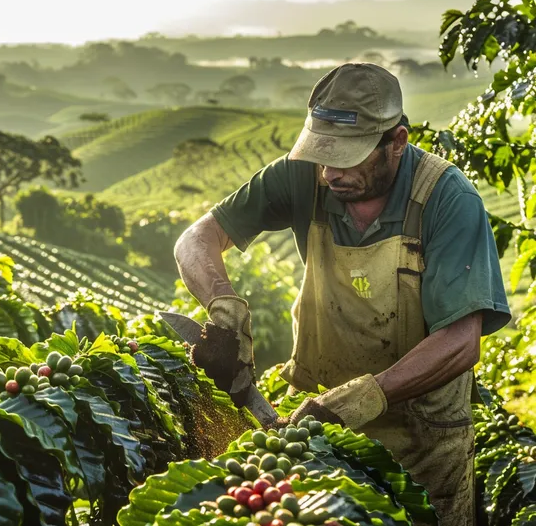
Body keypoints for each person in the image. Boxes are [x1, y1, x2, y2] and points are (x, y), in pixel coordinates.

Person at [173, 63, 511, 525]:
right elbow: (196, 239)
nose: (331, 171)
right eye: (322, 154)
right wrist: (222, 303)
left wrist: (363, 398)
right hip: (320, 428)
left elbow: (460, 341)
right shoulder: (302, 177)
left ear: (397, 142)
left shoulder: (447, 199)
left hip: (421, 438)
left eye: (349, 158)